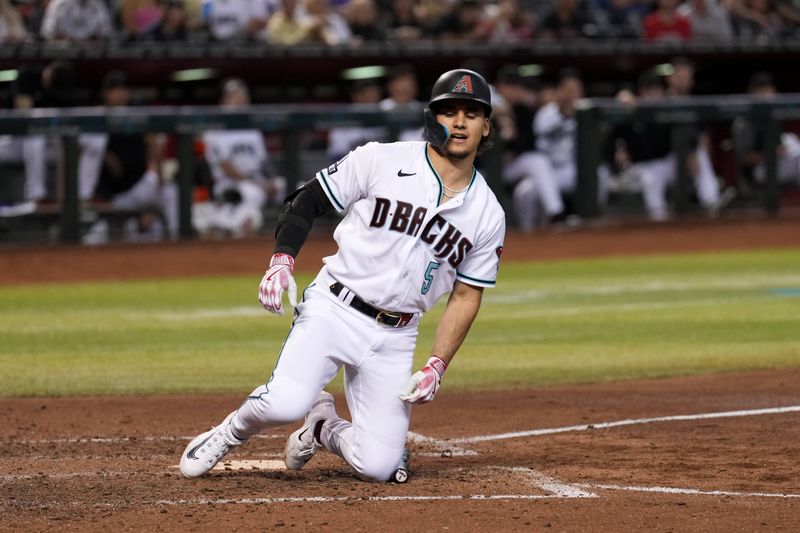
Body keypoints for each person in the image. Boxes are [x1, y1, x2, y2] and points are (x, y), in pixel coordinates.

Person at [180, 68, 506, 483]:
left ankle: (322, 427)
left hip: (396, 336)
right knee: (283, 403)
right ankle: (229, 432)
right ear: (432, 117)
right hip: (335, 307)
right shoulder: (382, 159)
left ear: (486, 126)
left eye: (472, 113)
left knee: (379, 466)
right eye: (449, 111)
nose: (459, 122)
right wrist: (282, 259)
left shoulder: (488, 214)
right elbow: (306, 201)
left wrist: (437, 365)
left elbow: (466, 295)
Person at [195, 78, 286, 238]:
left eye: (243, 96)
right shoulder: (215, 130)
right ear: (223, 102)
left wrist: (270, 180)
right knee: (251, 194)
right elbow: (225, 167)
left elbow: (264, 162)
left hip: (257, 181)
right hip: (230, 185)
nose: (241, 101)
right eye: (235, 97)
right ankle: (226, 222)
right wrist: (258, 183)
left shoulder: (252, 129)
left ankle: (221, 220)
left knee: (295, 189)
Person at [733, 71, 800, 190]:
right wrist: (771, 153)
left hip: (778, 163)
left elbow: (780, 147)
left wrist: (783, 149)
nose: (765, 93)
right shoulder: (744, 121)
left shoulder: (773, 116)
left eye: (768, 89)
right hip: (758, 170)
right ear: (752, 92)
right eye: (760, 89)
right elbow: (744, 158)